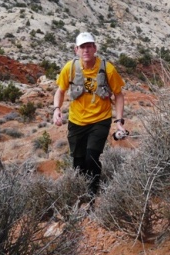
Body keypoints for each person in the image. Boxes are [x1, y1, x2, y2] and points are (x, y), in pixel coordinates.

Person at [52, 32, 127, 199]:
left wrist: (119, 121)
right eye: (82, 47)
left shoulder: (107, 69)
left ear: (95, 48)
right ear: (76, 50)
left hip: (100, 120)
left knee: (91, 158)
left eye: (89, 46)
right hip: (76, 121)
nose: (86, 50)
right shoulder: (70, 68)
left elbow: (119, 94)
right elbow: (60, 90)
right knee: (78, 163)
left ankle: (93, 195)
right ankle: (82, 192)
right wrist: (57, 109)